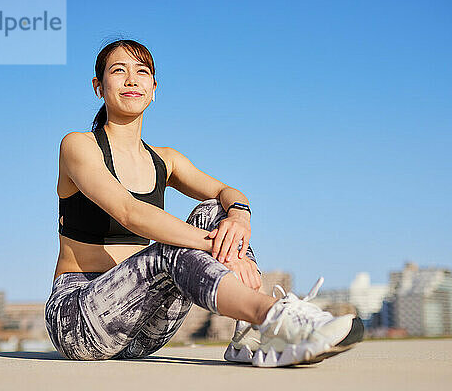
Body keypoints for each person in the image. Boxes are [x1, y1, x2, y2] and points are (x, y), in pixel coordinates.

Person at [44, 39, 363, 368]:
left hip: (143, 327)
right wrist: (213, 246)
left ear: (154, 88)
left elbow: (230, 193)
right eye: (118, 71)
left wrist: (238, 221)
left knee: (216, 211)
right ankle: (272, 316)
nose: (131, 80)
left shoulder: (166, 160)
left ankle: (249, 338)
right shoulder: (78, 146)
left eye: (142, 72)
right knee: (174, 245)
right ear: (99, 86)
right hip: (80, 318)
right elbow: (129, 212)